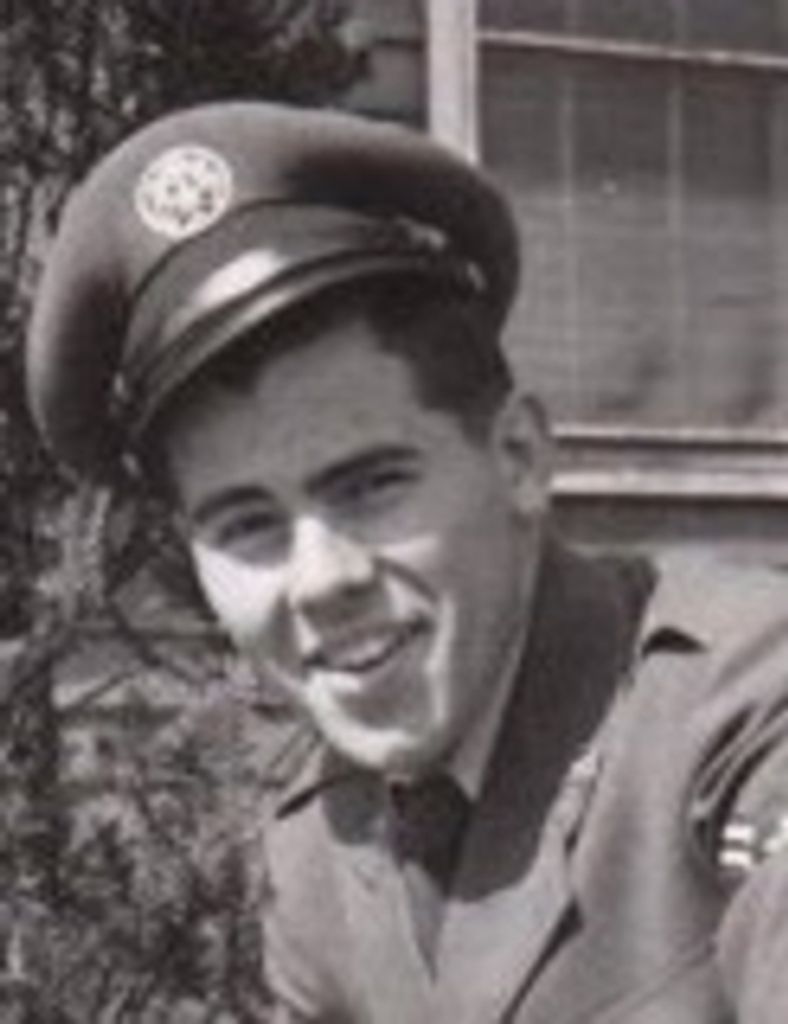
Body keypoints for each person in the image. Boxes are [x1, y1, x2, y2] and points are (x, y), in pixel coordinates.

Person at [24, 100, 788, 1023]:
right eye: (247, 524)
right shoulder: (319, 857)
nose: (323, 580)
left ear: (519, 459)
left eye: (371, 486)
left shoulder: (742, 708)